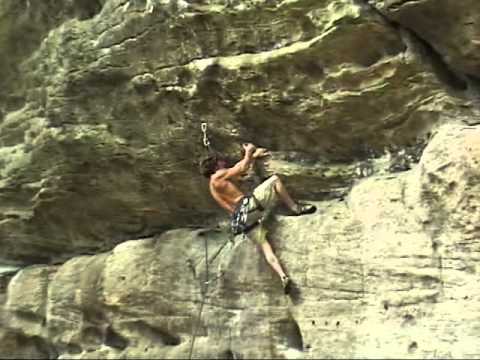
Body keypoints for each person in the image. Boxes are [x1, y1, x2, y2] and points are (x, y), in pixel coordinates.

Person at [200, 143, 316, 294]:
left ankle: (283, 276)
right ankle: (295, 208)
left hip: (244, 221)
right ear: (215, 166)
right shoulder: (218, 176)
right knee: (274, 180)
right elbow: (241, 168)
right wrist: (249, 151)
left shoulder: (213, 185)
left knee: (265, 247)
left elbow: (239, 169)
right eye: (221, 162)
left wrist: (252, 157)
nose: (224, 163)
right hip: (250, 208)